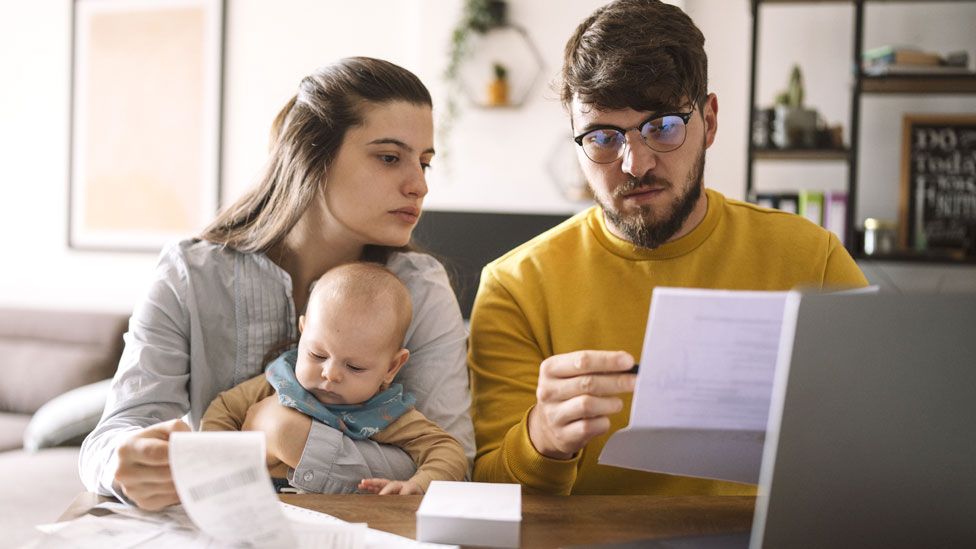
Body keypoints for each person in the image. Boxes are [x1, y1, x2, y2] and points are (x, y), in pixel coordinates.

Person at [467, 0, 868, 496]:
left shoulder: (813, 259)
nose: (635, 163)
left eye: (662, 127)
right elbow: (484, 493)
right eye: (603, 137)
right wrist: (542, 439)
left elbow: (882, 441)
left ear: (710, 121)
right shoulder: (515, 286)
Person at [80, 57, 474, 510]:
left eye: (424, 162)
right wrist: (122, 463)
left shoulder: (420, 289)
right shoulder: (190, 275)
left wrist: (288, 436)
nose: (419, 185)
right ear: (312, 157)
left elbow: (453, 462)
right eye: (389, 158)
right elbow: (110, 438)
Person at [201, 262, 467, 495]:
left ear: (391, 367)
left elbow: (448, 451)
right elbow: (223, 409)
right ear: (303, 333)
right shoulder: (280, 381)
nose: (330, 373)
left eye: (354, 367)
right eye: (317, 355)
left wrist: (420, 484)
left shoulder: (386, 413)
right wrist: (216, 465)